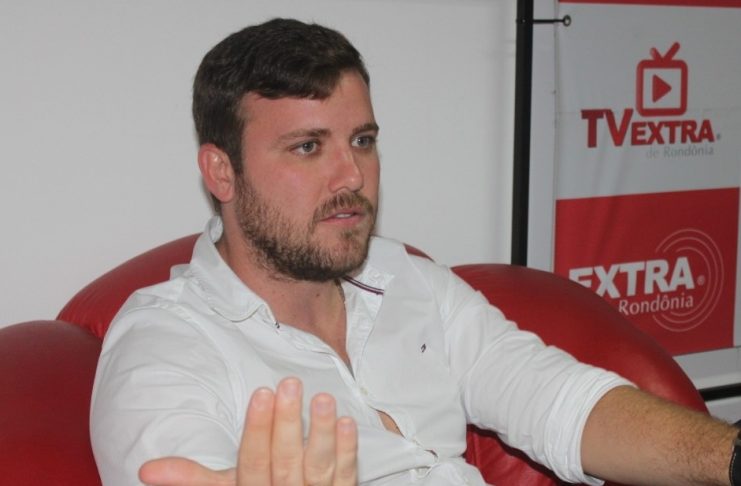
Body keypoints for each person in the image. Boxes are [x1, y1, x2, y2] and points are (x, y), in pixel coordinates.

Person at [90, 18, 740, 486]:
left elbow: (558, 402)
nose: (352, 175)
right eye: (308, 147)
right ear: (221, 172)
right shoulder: (166, 346)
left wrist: (730, 458)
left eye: (362, 140)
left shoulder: (408, 280)